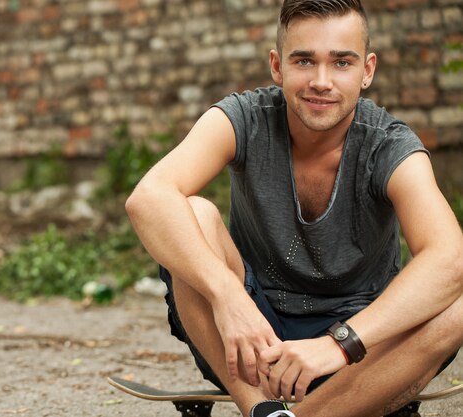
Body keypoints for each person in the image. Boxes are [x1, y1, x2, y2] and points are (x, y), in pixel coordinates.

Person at [125, 0, 463, 416]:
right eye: (305, 60)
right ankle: (264, 409)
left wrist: (340, 344)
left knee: (457, 306)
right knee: (191, 214)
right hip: (250, 346)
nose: (322, 81)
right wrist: (229, 298)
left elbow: (451, 259)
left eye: (342, 62)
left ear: (367, 71)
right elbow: (149, 197)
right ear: (277, 66)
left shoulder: (390, 145)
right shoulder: (244, 118)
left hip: (362, 357)